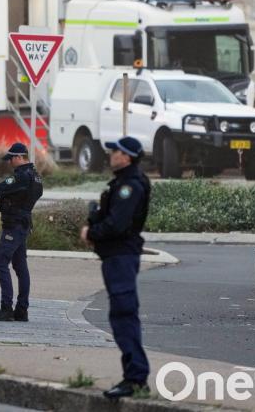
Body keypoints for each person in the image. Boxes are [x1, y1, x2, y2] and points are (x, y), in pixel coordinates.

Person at [79, 136, 151, 399]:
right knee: (121, 315)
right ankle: (134, 376)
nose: (111, 154)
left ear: (128, 157)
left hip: (121, 256)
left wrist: (92, 232)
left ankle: (135, 378)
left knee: (123, 315)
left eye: (116, 151)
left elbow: (117, 225)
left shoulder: (129, 186)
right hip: (117, 257)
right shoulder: (122, 183)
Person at [0, 142, 43, 322]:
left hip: (14, 225)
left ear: (19, 157)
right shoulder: (35, 176)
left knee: (1, 262)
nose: (9, 162)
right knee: (20, 267)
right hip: (23, 223)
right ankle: (22, 310)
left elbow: (6, 185)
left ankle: (6, 308)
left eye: (11, 159)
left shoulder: (22, 176)